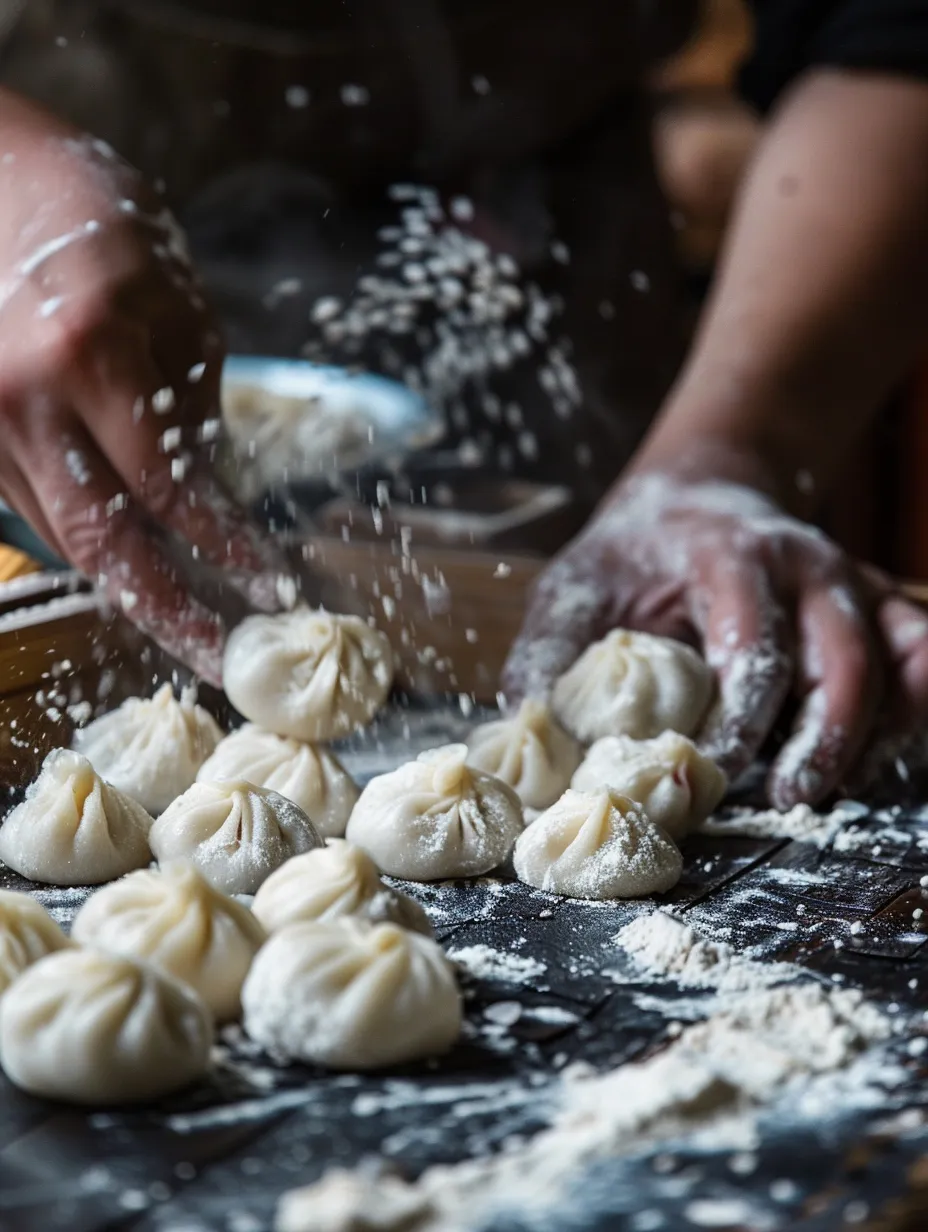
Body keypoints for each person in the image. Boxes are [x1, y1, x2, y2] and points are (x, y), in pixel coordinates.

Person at [0, 0, 927, 810]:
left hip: (569, 308)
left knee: (607, 661)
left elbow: (893, 27)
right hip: (81, 295)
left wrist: (727, 456)